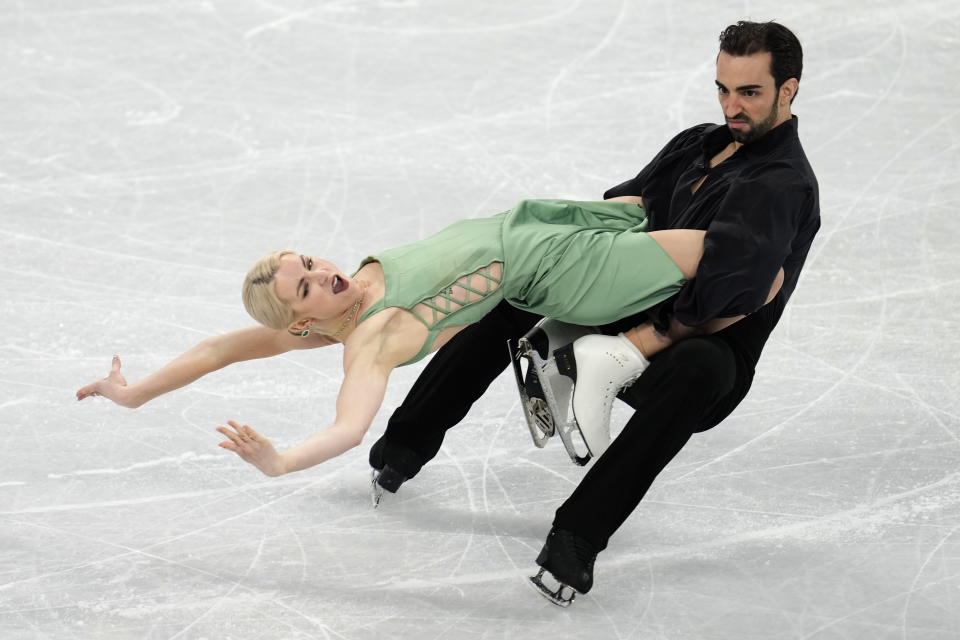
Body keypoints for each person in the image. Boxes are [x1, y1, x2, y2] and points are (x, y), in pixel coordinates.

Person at [368, 20, 820, 606]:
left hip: (699, 343)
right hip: (627, 308)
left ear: (789, 90)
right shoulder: (695, 144)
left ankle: (575, 541)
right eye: (722, 89)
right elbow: (621, 210)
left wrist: (633, 340)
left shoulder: (782, 183)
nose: (732, 106)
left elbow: (727, 292)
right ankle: (401, 449)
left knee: (700, 370)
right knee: (518, 295)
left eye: (750, 93)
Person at [78, 197, 779, 479]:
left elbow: (220, 349)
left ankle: (604, 349)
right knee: (752, 266)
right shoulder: (368, 341)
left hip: (536, 224)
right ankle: (612, 353)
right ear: (301, 321)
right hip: (556, 266)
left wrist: (134, 393)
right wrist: (280, 461)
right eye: (306, 288)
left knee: (695, 225)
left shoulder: (349, 289)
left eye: (312, 264)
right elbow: (351, 425)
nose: (324, 275)